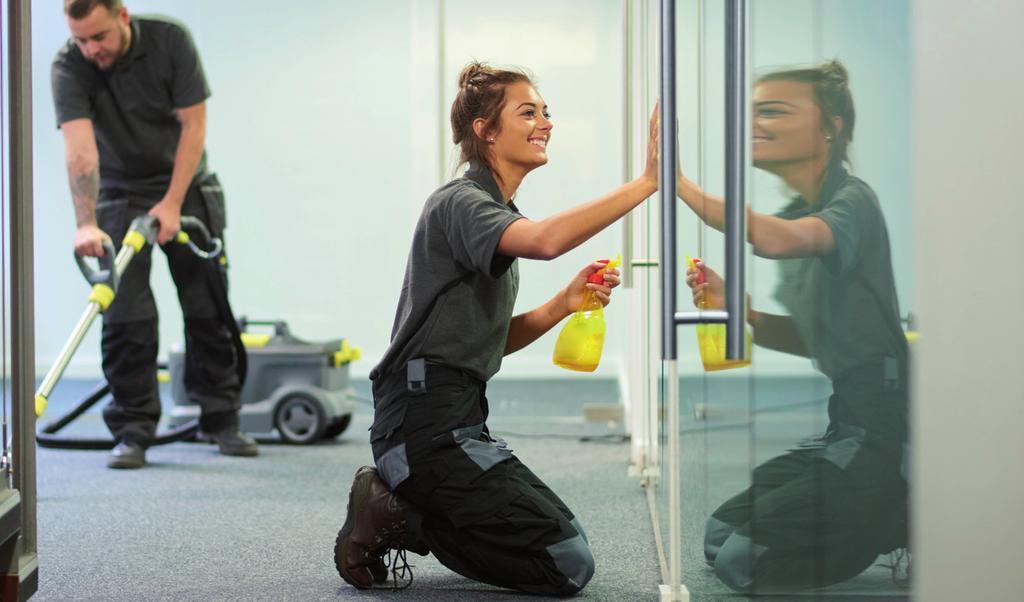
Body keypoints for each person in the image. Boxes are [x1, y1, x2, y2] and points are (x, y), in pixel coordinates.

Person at [334, 62, 659, 595]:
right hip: (421, 428)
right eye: (527, 112)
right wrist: (647, 183)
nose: (545, 122)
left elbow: (481, 341)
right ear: (485, 130)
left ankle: (406, 504)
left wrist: (562, 304)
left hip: (457, 419)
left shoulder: (493, 208)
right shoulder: (461, 201)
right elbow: (546, 240)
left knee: (564, 545)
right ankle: (396, 511)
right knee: (565, 565)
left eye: (546, 111)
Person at [679, 60, 909, 592]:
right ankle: (880, 508)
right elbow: (819, 339)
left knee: (745, 562)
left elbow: (777, 238)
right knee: (721, 535)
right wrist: (747, 314)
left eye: (774, 111)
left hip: (880, 428)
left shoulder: (853, 201)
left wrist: (679, 187)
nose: (755, 123)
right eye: (753, 111)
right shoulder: (803, 207)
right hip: (844, 422)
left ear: (830, 125)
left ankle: (894, 510)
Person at [52, 0, 258, 469]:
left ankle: (221, 419)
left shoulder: (170, 41)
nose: (90, 49)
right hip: (120, 195)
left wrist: (171, 202)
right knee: (126, 316)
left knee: (207, 309)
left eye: (98, 36)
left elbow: (194, 126)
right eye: (81, 39)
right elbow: (80, 150)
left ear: (122, 16)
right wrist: (85, 221)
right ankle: (132, 430)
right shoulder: (69, 64)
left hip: (186, 188)